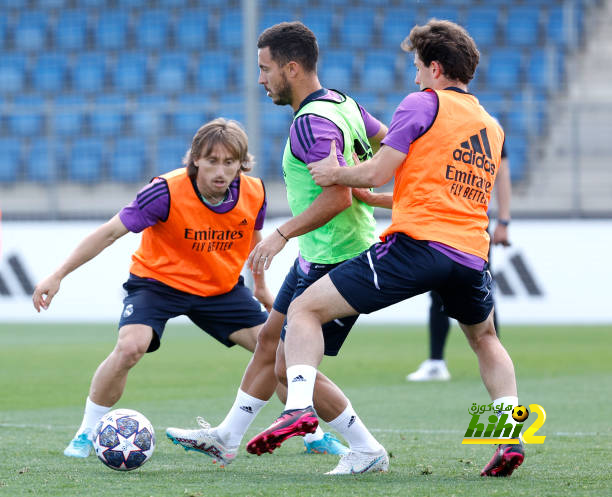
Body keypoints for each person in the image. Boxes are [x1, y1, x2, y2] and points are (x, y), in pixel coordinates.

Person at [250, 20, 526, 478]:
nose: (415, 77)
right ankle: (507, 439)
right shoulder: (490, 127)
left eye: (418, 68)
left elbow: (379, 170)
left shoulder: (423, 103)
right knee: (486, 340)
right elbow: (428, 188)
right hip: (471, 254)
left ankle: (298, 408)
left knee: (303, 309)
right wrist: (371, 196)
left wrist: (336, 175)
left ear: (436, 68)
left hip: (417, 246)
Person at [166, 22, 389, 471]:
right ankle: (226, 438)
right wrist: (375, 187)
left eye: (265, 69)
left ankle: (367, 450)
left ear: (291, 68)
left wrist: (282, 233)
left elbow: (336, 195)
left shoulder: (309, 124)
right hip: (320, 254)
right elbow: (386, 142)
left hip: (339, 256)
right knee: (268, 340)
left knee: (290, 369)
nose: (261, 79)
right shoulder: (343, 103)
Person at [32, 118, 274, 459]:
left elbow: (254, 241)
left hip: (220, 288)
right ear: (196, 161)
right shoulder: (165, 191)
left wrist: (261, 288)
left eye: (230, 162)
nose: (221, 171)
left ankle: (311, 432)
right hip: (159, 283)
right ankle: (87, 433)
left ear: (241, 164)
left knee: (277, 351)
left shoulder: (255, 192)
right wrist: (58, 274)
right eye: (212, 161)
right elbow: (109, 232)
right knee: (131, 347)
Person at [408, 148, 511, 382]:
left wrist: (503, 220)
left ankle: (495, 361)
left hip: (472, 226)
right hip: (441, 223)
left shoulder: (488, 125)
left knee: (482, 293)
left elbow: (503, 174)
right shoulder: (446, 120)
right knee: (438, 292)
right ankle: (436, 362)